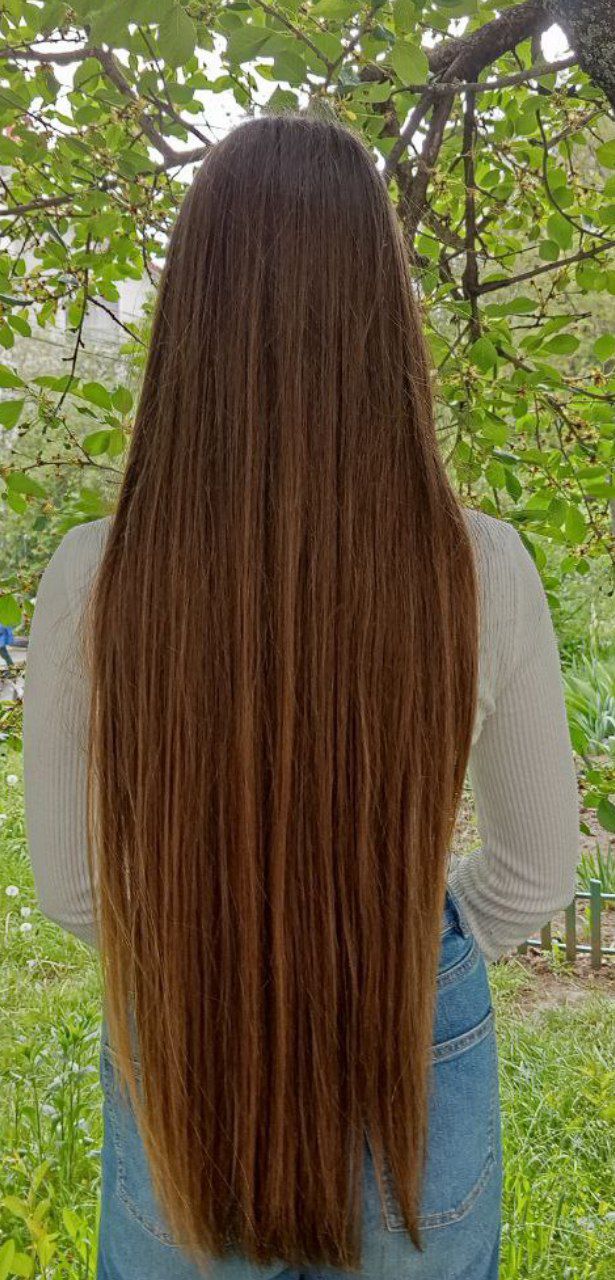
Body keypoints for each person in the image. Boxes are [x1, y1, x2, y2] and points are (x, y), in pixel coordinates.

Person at [22, 114, 580, 1280]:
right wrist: (408, 947)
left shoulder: (95, 573)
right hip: (409, 1024)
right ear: (382, 312)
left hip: (182, 1029)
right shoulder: (479, 566)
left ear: (192, 314)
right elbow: (536, 875)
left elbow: (74, 888)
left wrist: (209, 939)